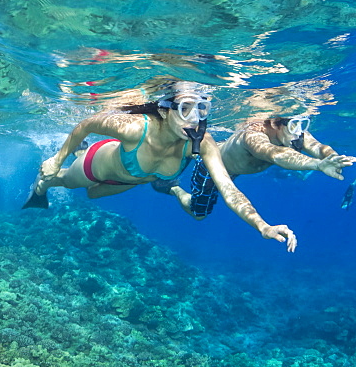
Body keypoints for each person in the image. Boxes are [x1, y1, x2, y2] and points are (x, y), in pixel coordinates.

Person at [23, 83, 297, 252]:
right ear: (166, 111)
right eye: (185, 108)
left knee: (94, 196)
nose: (193, 119)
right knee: (66, 182)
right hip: (99, 166)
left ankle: (63, 170)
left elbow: (227, 188)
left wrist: (262, 225)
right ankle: (41, 186)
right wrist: (56, 159)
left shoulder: (202, 144)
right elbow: (88, 125)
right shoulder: (136, 128)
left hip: (132, 181)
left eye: (201, 110)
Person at [157, 116, 356, 218]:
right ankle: (173, 188)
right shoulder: (253, 135)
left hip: (234, 168)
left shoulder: (292, 131)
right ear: (274, 124)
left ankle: (187, 153)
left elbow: (319, 147)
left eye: (301, 125)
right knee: (199, 214)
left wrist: (332, 158)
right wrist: (317, 165)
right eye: (292, 127)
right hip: (213, 166)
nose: (297, 133)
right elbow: (276, 154)